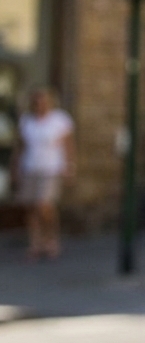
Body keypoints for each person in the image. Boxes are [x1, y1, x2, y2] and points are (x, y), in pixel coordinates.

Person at [14, 88, 74, 260]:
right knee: (31, 207)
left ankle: (51, 239)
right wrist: (16, 169)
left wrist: (70, 167)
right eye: (36, 101)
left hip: (51, 168)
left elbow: (69, 145)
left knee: (44, 205)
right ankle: (35, 242)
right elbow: (21, 147)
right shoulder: (27, 121)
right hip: (30, 167)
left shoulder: (60, 119)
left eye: (43, 101)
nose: (39, 105)